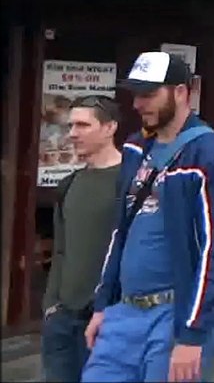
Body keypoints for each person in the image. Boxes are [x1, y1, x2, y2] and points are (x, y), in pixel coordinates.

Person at [83, 51, 214, 383]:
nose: (138, 103)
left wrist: (192, 334)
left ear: (181, 92)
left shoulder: (206, 151)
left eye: (149, 94)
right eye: (136, 94)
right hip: (122, 312)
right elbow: (119, 232)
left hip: (172, 313)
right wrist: (102, 304)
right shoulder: (135, 148)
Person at [42, 96, 123, 383]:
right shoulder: (69, 185)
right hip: (63, 321)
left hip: (109, 320)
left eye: (82, 125)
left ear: (109, 127)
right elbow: (61, 250)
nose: (72, 133)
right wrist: (52, 305)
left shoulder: (132, 183)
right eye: (71, 125)